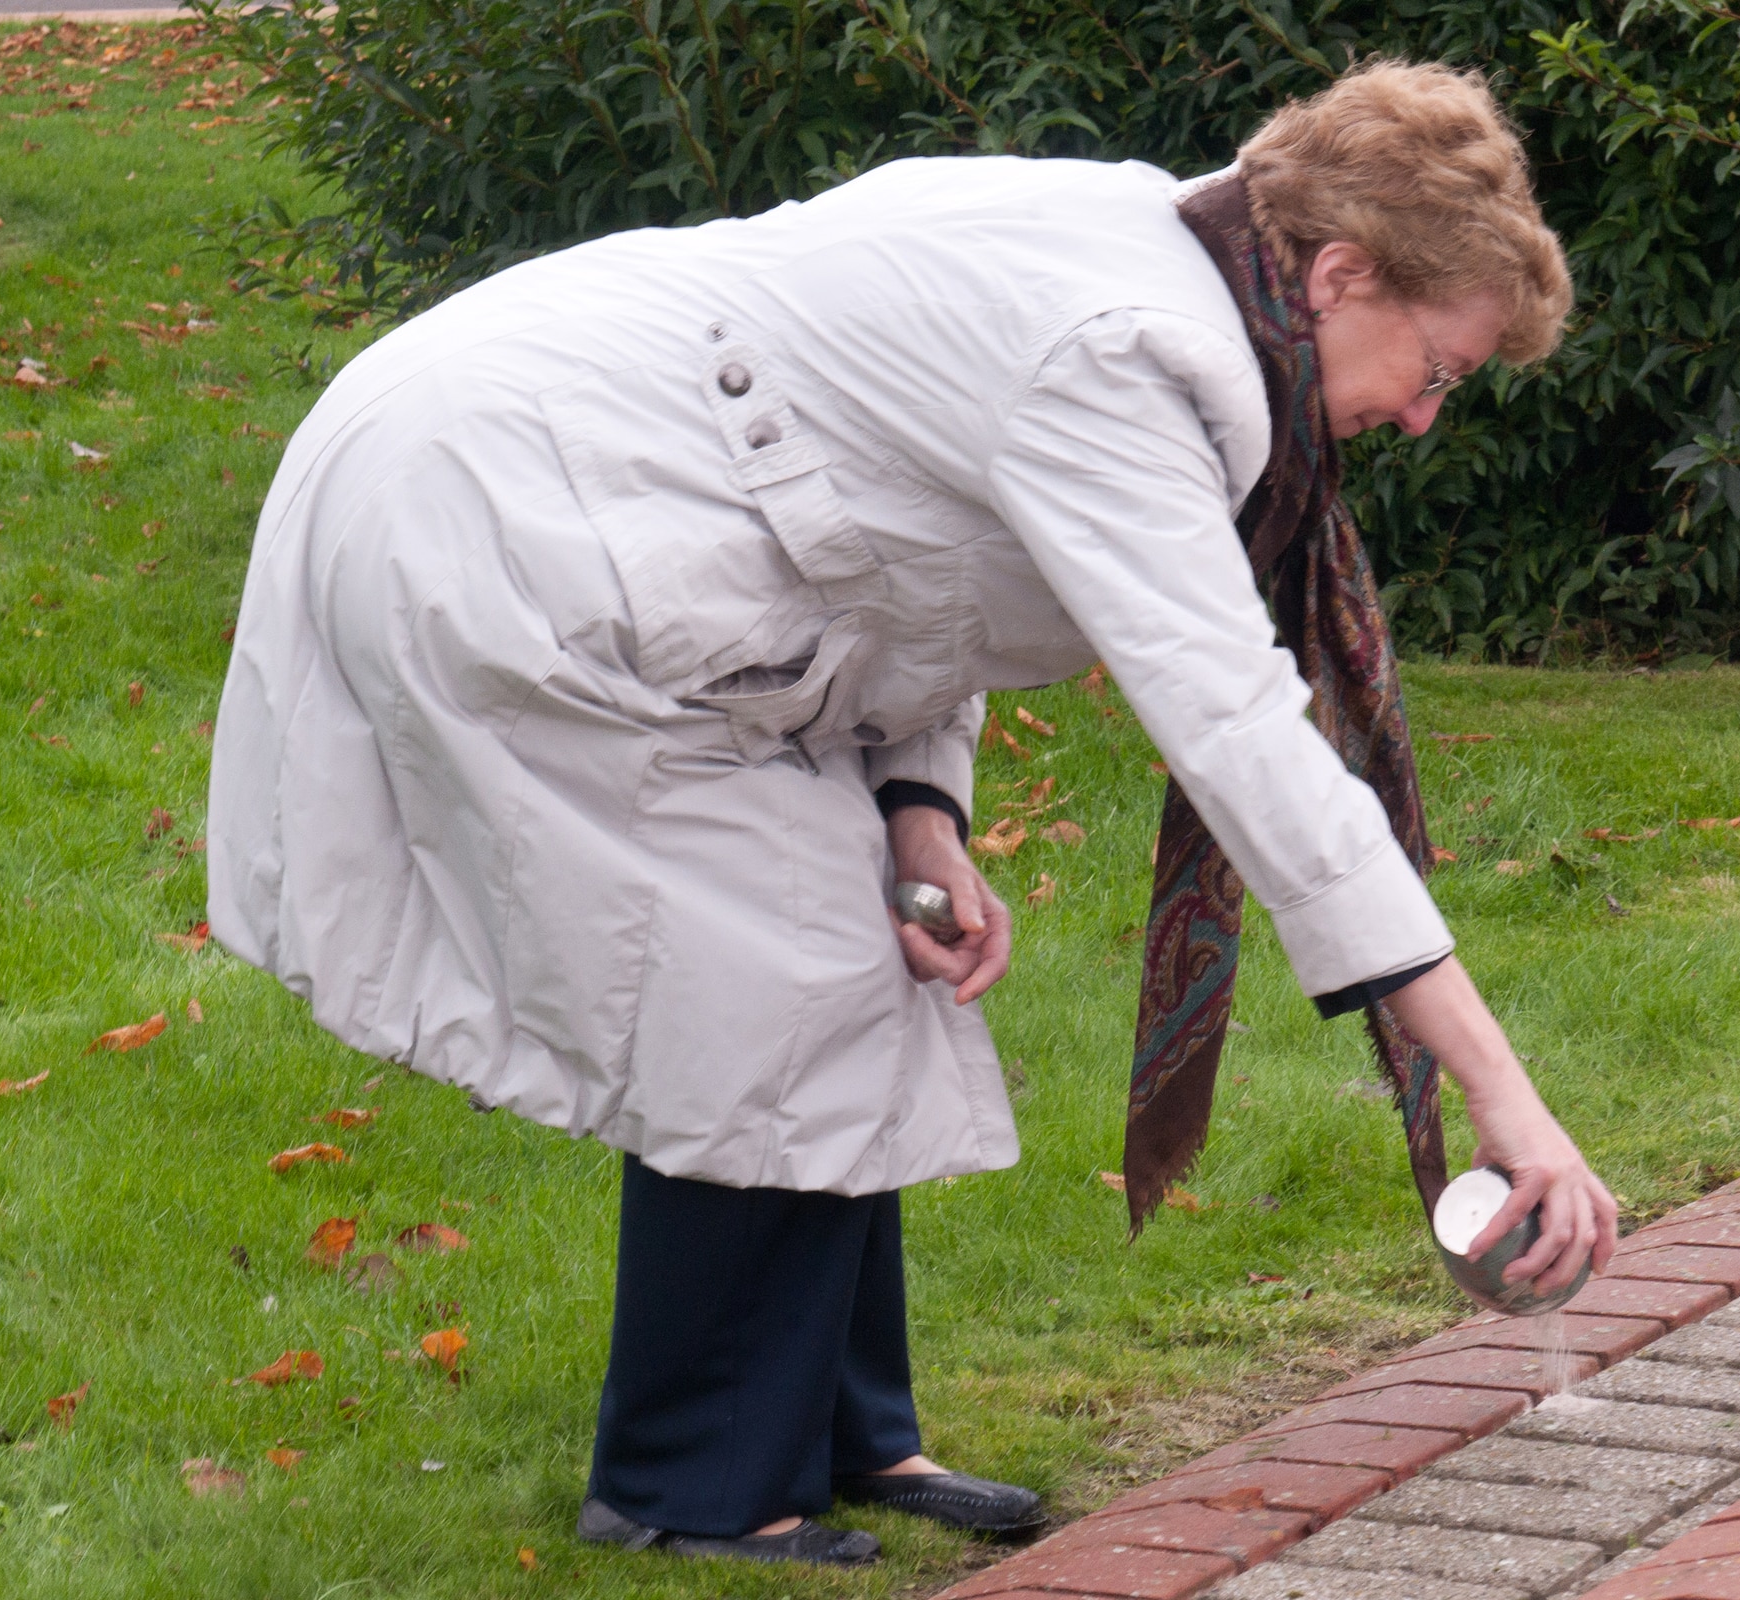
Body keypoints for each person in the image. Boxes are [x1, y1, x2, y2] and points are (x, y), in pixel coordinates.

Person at [207, 58, 1621, 1570]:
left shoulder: (1160, 256)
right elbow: (1242, 738)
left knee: (847, 962)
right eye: (1438, 367)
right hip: (510, 514)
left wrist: (916, 813)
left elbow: (916, 527)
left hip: (624, 505)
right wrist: (1498, 1088)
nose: (1420, 416)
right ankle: (687, 1489)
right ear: (1340, 273)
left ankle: (838, 1432)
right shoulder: (1131, 345)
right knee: (765, 994)